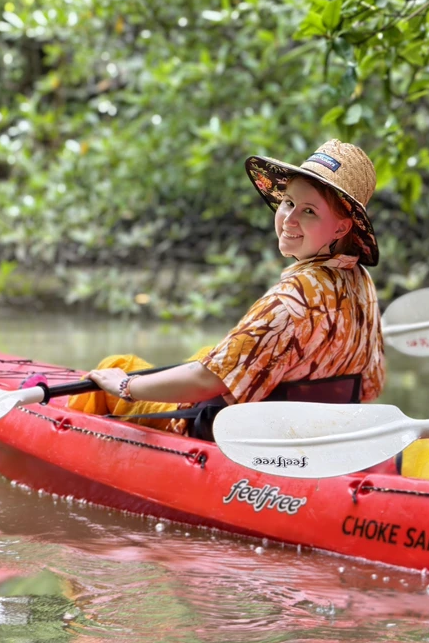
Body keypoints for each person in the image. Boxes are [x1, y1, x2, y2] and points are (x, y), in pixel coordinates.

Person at [61, 139, 385, 434]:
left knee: (116, 367)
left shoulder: (289, 302)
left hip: (242, 438)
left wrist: (125, 385)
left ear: (342, 227)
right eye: (288, 203)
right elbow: (371, 385)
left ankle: (68, 435)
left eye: (309, 211)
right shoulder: (362, 283)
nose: (289, 220)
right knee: (206, 354)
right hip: (318, 434)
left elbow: (206, 381)